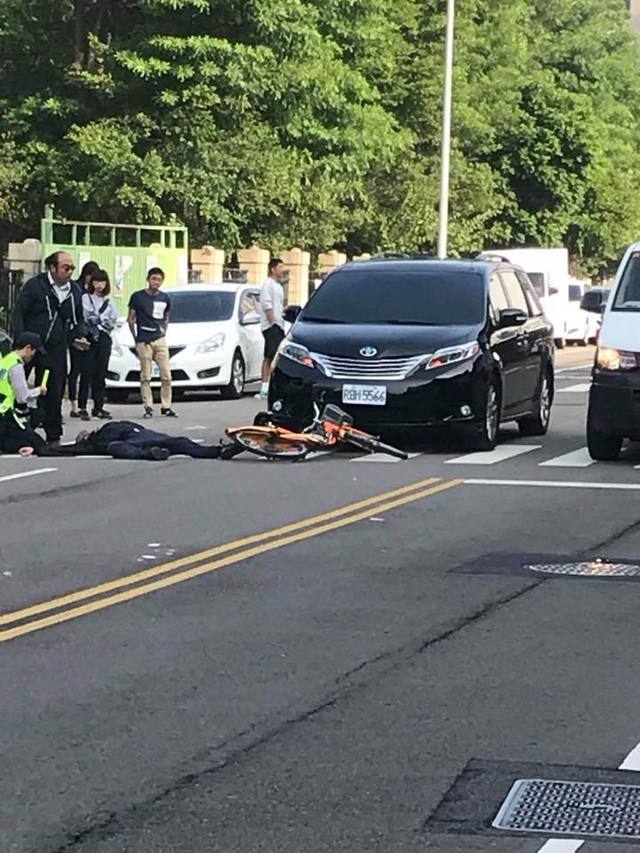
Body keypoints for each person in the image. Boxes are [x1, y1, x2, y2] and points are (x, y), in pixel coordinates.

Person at [13, 251, 86, 446]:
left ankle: (53, 435)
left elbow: (78, 319)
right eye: (65, 268)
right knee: (16, 388)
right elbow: (19, 311)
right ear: (52, 268)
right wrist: (20, 340)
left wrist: (79, 335)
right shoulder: (36, 286)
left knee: (53, 391)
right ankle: (13, 429)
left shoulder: (74, 291)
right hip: (30, 347)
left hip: (55, 348)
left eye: (72, 268)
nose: (69, 272)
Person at [128, 267, 177, 419]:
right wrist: (136, 337)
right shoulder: (138, 297)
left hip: (159, 338)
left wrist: (163, 332)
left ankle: (166, 405)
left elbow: (167, 317)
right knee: (146, 376)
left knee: (166, 375)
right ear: (148, 279)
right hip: (144, 340)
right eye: (153, 279)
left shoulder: (165, 298)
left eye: (159, 279)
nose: (156, 282)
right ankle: (148, 406)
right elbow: (131, 318)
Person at [39, 421, 221, 461]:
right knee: (115, 447)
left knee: (178, 441)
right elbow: (66, 450)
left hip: (139, 434)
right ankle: (151, 454)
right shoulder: (90, 443)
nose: (83, 433)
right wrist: (39, 449)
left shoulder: (107, 427)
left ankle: (218, 451)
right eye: (82, 435)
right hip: (131, 438)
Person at [77, 269, 118, 421]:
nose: (99, 285)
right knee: (86, 371)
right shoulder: (86, 298)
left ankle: (98, 406)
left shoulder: (110, 301)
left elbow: (113, 320)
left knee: (101, 372)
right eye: (96, 282)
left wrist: (99, 319)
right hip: (89, 336)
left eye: (102, 282)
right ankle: (82, 407)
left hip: (104, 337)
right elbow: (87, 315)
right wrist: (100, 319)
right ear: (91, 283)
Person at [0, 333, 48, 455]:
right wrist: (39, 390)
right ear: (28, 348)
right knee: (39, 445)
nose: (33, 356)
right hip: (6, 415)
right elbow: (22, 397)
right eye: (34, 352)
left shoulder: (6, 360)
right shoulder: (16, 366)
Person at [68, 260, 100, 418]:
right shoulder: (76, 288)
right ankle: (73, 404)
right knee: (75, 369)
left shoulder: (95, 293)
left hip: (91, 335)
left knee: (88, 371)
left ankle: (83, 405)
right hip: (77, 334)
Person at [256, 258, 286, 399]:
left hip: (279, 324)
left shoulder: (278, 286)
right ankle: (264, 387)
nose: (282, 269)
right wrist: (273, 321)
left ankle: (274, 385)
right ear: (272, 269)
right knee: (269, 355)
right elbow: (267, 304)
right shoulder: (267, 285)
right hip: (271, 326)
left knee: (277, 356)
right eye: (279, 267)